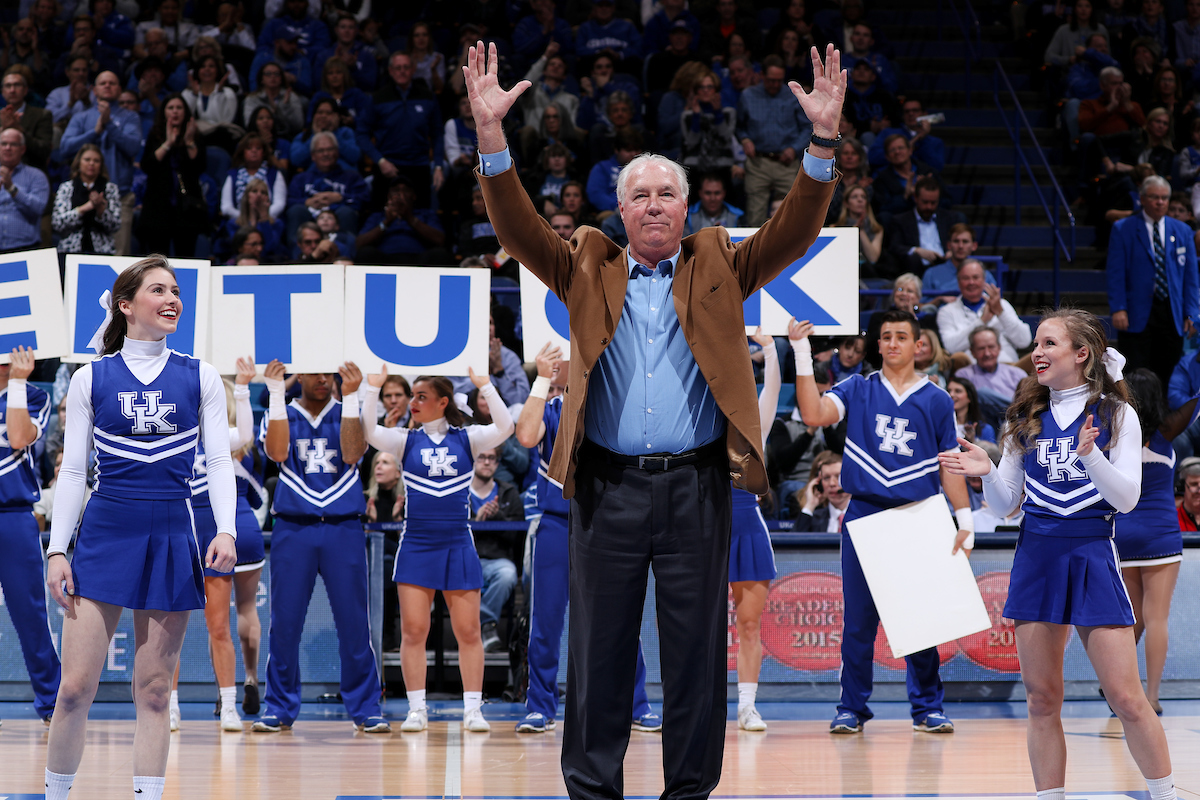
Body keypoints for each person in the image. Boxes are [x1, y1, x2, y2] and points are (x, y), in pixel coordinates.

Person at [468, 38, 842, 800]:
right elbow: (515, 229)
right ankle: (594, 793)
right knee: (599, 654)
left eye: (665, 194)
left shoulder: (719, 262)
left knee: (696, 654)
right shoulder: (586, 262)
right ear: (620, 208)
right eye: (638, 196)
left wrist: (823, 143)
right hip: (605, 488)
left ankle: (687, 794)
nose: (652, 207)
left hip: (698, 487)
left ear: (688, 204)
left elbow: (795, 231)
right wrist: (490, 138)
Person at [939, 309, 1177, 800]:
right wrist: (987, 471)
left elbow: (1126, 498)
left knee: (1128, 699)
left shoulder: (1116, 413)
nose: (1037, 353)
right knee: (1041, 699)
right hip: (1037, 554)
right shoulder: (1025, 414)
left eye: (1048, 343)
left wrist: (1090, 456)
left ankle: (1167, 794)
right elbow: (1007, 506)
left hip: (1092, 550)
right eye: (1036, 345)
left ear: (1081, 353)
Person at [43, 256, 238, 800]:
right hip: (106, 530)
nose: (173, 299)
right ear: (126, 305)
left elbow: (219, 461)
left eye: (176, 290)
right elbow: (76, 470)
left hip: (173, 529)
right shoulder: (91, 377)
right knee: (75, 688)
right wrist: (58, 550)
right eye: (159, 290)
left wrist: (225, 529)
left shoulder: (200, 375)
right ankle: (55, 794)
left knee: (154, 692)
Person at [795, 310, 970, 734]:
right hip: (865, 513)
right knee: (858, 622)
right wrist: (802, 353)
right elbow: (815, 415)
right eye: (887, 336)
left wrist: (964, 517)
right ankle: (851, 708)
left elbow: (949, 463)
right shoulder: (857, 387)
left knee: (920, 622)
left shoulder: (937, 399)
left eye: (902, 336)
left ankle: (927, 707)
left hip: (919, 515)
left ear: (918, 345)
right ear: (878, 344)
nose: (893, 343)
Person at [513, 342, 661, 734]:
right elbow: (526, 436)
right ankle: (540, 705)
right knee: (546, 620)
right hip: (557, 524)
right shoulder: (550, 408)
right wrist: (542, 378)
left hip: (605, 521)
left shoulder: (612, 405)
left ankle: (636, 703)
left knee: (620, 617)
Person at [358, 367, 512, 733]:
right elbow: (368, 432)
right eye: (412, 396)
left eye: (421, 397)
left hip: (458, 543)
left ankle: (473, 710)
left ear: (443, 402)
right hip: (416, 545)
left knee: (469, 632)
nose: (413, 403)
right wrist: (372, 389)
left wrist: (485, 386)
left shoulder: (468, 438)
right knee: (413, 632)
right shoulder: (405, 440)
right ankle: (417, 710)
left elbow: (505, 428)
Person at [252, 362, 389, 734]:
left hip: (343, 527)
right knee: (284, 625)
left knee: (354, 624)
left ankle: (366, 707)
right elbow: (278, 454)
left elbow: (351, 453)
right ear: (301, 373)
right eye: (315, 371)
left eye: (328, 371)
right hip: (293, 528)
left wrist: (351, 398)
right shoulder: (282, 410)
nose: (323, 378)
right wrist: (277, 394)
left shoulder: (349, 408)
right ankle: (278, 706)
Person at [188, 358, 267, 730]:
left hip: (217, 529)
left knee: (216, 623)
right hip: (230, 525)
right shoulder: (225, 441)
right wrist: (243, 388)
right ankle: (248, 679)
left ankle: (229, 696)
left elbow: (246, 433)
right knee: (243, 611)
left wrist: (242, 388)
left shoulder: (219, 438)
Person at [1114, 369, 1190, 715]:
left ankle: (1115, 686)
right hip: (1160, 534)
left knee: (1134, 619)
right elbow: (1196, 404)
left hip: (1124, 536)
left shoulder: (1116, 436)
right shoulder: (1165, 433)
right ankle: (1153, 697)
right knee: (1156, 618)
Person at [0, 346, 60, 727]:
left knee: (30, 614)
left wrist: (19, 383)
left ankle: (53, 703)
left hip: (13, 515)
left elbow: (20, 437)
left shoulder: (35, 395)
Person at [729, 328, 783, 732]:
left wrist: (768, 347)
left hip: (746, 523)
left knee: (749, 625)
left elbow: (772, 390)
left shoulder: (754, 425)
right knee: (701, 627)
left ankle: (747, 707)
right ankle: (702, 704)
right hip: (702, 525)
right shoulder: (695, 420)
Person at [1108, 175, 1199, 390]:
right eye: (1155, 197)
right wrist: (1118, 307)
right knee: (1135, 371)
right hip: (1136, 311)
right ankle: (1137, 419)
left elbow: (1191, 277)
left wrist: (1191, 313)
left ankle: (1165, 419)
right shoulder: (1124, 228)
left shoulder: (1183, 231)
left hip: (1171, 311)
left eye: (1164, 198)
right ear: (1142, 199)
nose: (1160, 202)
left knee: (1168, 370)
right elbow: (1115, 272)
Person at [57, 70, 139, 254]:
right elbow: (65, 148)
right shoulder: (81, 117)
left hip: (119, 196)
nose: (108, 86)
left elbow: (133, 148)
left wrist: (109, 124)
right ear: (94, 89)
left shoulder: (130, 117)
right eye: (103, 83)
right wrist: (94, 133)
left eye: (112, 83)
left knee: (119, 262)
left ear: (119, 89)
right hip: (79, 196)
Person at [357, 52, 443, 210]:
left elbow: (437, 133)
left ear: (413, 69)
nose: (402, 71)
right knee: (382, 217)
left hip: (419, 167)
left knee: (422, 218)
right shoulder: (378, 98)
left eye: (406, 67)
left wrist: (438, 166)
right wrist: (380, 160)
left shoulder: (427, 96)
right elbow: (361, 133)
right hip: (387, 167)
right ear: (390, 71)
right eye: (398, 68)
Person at [736, 54, 814, 226]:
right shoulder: (748, 96)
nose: (775, 84)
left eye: (779, 80)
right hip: (758, 163)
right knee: (755, 216)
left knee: (791, 215)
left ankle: (791, 253)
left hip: (786, 163)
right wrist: (745, 139)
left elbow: (807, 128)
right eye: (771, 80)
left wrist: (794, 148)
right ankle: (754, 253)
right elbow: (739, 126)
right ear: (762, 75)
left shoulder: (793, 96)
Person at [467, 445, 524, 651]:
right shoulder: (460, 493)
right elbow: (450, 531)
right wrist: (477, 520)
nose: (487, 462)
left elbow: (518, 536)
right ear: (473, 461)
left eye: (492, 458)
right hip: (466, 558)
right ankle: (487, 626)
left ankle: (481, 623)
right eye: (482, 457)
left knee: (508, 574)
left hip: (499, 560)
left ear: (498, 464)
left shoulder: (509, 492)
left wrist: (497, 517)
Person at [138, 94, 207, 258]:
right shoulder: (155, 135)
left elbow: (199, 167)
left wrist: (189, 142)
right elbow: (147, 166)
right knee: (157, 258)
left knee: (186, 256)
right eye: (170, 108)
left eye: (179, 108)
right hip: (158, 207)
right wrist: (168, 143)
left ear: (185, 112)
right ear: (164, 112)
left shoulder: (196, 136)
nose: (175, 112)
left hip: (186, 210)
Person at [937, 259, 1033, 361]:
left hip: (1007, 367)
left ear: (984, 279)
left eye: (975, 277)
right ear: (958, 281)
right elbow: (950, 347)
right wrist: (982, 321)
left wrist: (1001, 313)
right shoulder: (946, 311)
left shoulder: (1002, 305)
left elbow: (1024, 341)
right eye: (965, 278)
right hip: (970, 372)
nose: (971, 282)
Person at [51, 142, 120, 254]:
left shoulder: (110, 189)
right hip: (70, 250)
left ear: (101, 165)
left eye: (96, 161)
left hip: (102, 251)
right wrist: (85, 208)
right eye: (87, 159)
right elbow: (57, 223)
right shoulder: (66, 188)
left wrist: (101, 210)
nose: (91, 163)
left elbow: (115, 226)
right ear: (78, 163)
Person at [886, 178, 963, 274]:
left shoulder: (951, 218)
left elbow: (962, 241)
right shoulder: (900, 221)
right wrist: (916, 250)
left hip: (946, 266)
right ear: (916, 198)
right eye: (925, 202)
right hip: (915, 269)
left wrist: (952, 251)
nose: (929, 207)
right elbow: (895, 247)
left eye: (933, 203)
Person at [0, 128, 48, 252]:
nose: (7, 148)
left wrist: (12, 189)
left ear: (23, 149)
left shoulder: (36, 176)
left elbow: (38, 208)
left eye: (13, 144)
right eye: (4, 143)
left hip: (24, 249)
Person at [220, 133, 287, 222]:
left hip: (267, 219)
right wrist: (245, 218)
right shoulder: (233, 175)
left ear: (263, 152)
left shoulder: (274, 174)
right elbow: (226, 207)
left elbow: (279, 203)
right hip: (239, 221)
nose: (254, 151)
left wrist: (263, 216)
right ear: (242, 152)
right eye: (249, 148)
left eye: (258, 148)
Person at [1, 68, 53, 169]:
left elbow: (44, 150)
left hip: (32, 170)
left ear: (25, 90)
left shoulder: (42, 115)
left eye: (17, 85)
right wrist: (3, 129)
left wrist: (18, 129)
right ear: (3, 92)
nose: (12, 90)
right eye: (8, 86)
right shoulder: (1, 116)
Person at [792, 451, 851, 529]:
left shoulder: (866, 514)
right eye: (826, 478)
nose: (832, 483)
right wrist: (810, 505)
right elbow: (795, 540)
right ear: (819, 483)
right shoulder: (814, 518)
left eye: (838, 476)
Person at [946, 375, 995, 444]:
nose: (951, 394)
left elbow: (991, 454)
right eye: (948, 391)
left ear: (969, 397)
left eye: (958, 391)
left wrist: (972, 442)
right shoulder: (941, 426)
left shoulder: (985, 429)